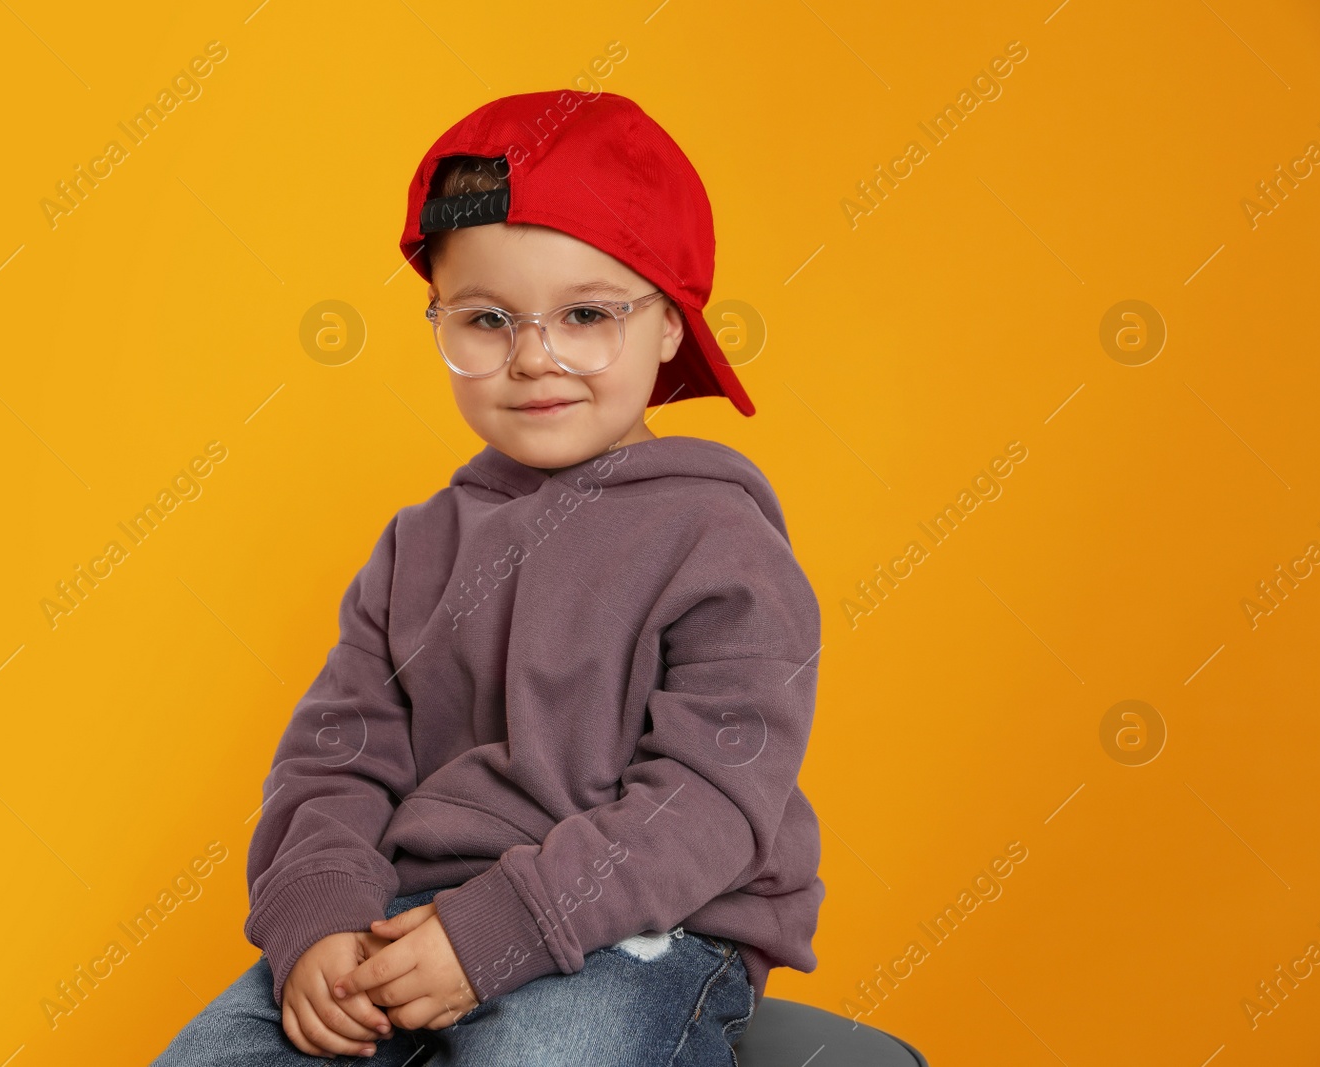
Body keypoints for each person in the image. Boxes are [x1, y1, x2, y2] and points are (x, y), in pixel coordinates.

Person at [152, 88, 824, 1067]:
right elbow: (336, 756)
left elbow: (708, 798)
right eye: (487, 320)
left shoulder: (718, 537)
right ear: (439, 321)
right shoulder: (418, 545)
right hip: (404, 920)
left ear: (670, 325)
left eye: (586, 313)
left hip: (636, 926)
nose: (533, 359)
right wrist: (321, 915)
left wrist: (498, 930)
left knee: (553, 1053)